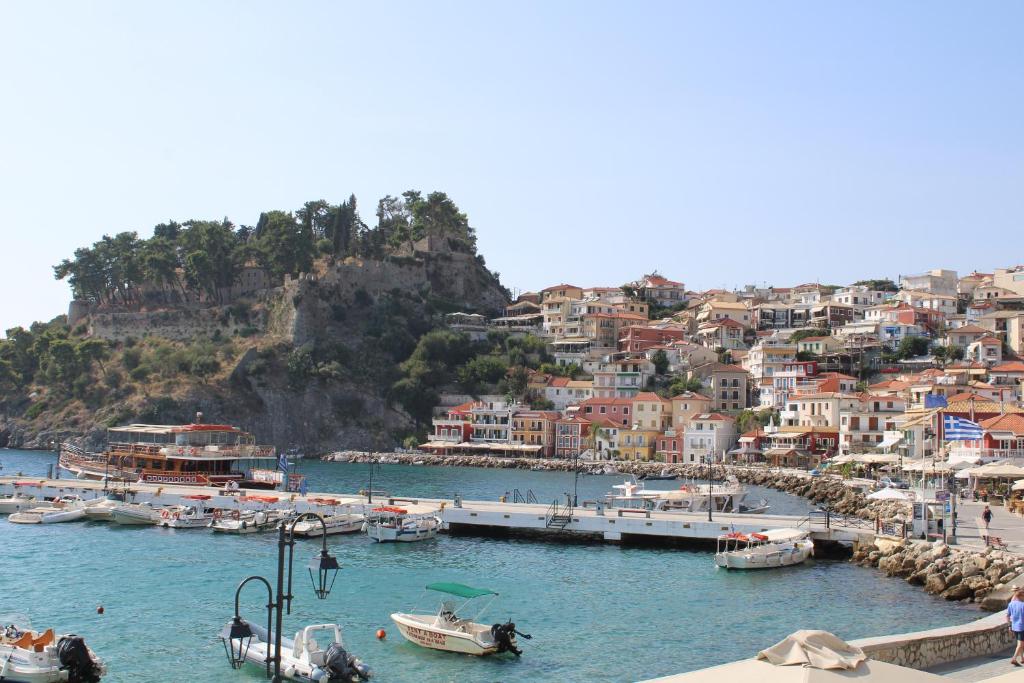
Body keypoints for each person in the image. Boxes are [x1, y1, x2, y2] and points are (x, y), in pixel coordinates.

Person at [1008, 587, 1024, 666]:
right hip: (1021, 627)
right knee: (1020, 644)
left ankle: (1022, 659)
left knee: (1020, 643)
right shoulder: (1023, 605)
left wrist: (1009, 626)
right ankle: (1014, 658)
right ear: (1021, 596)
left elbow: (1007, 615)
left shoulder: (1011, 604)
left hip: (1014, 626)